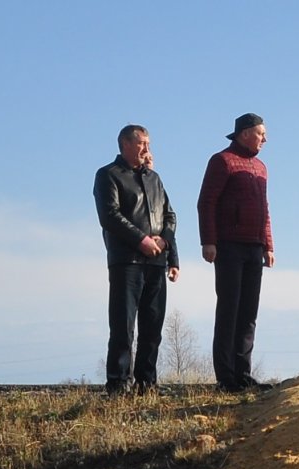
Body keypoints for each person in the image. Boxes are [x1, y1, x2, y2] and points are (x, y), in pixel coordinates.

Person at [93, 124, 180, 393]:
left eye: (148, 143)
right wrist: (141, 240)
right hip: (126, 262)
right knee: (123, 326)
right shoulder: (108, 175)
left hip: (156, 262)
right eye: (142, 143)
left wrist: (168, 248)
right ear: (126, 144)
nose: (147, 149)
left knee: (153, 327)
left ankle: (147, 383)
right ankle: (119, 384)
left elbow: (169, 216)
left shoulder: (154, 178)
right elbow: (110, 216)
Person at [197, 112, 273, 392]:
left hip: (254, 247)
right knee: (229, 310)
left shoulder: (261, 167)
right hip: (228, 246)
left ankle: (244, 373)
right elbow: (206, 202)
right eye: (260, 133)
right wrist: (209, 241)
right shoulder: (222, 161)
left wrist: (269, 245)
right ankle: (226, 377)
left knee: (248, 312)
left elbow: (265, 210)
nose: (265, 138)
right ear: (244, 133)